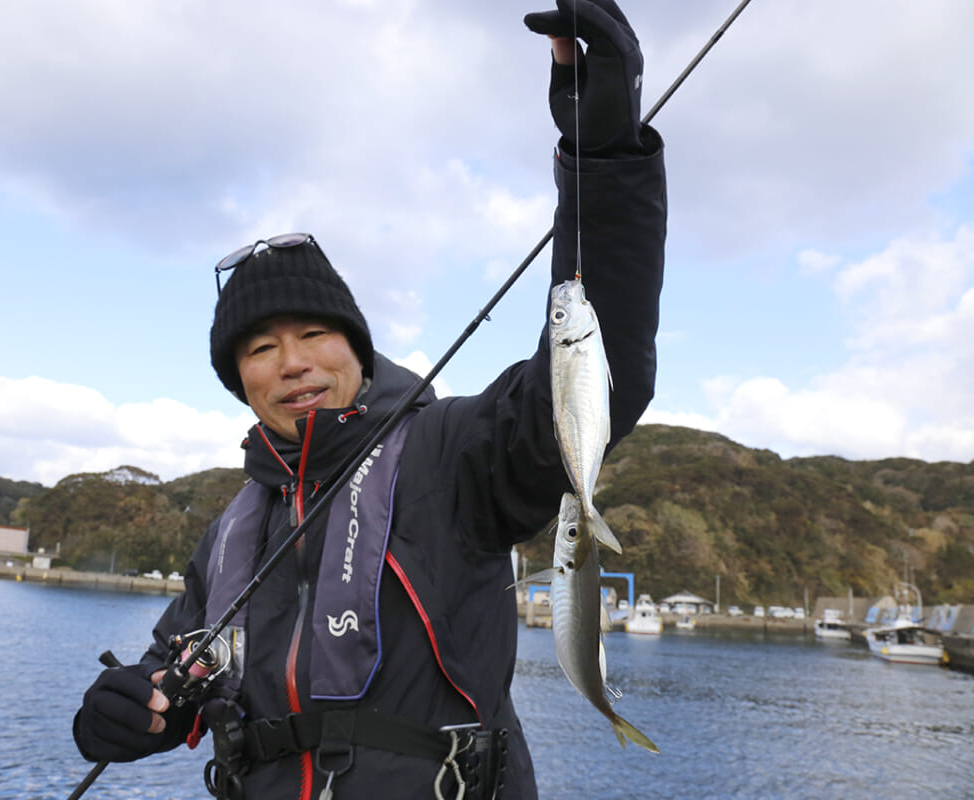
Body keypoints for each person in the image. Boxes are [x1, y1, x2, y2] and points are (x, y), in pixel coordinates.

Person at [72, 1, 666, 797]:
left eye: (315, 334)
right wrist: (127, 712)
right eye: (259, 348)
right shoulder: (227, 536)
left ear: (357, 347)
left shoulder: (453, 454)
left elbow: (596, 369)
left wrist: (601, 156)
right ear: (239, 382)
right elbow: (183, 675)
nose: (292, 364)